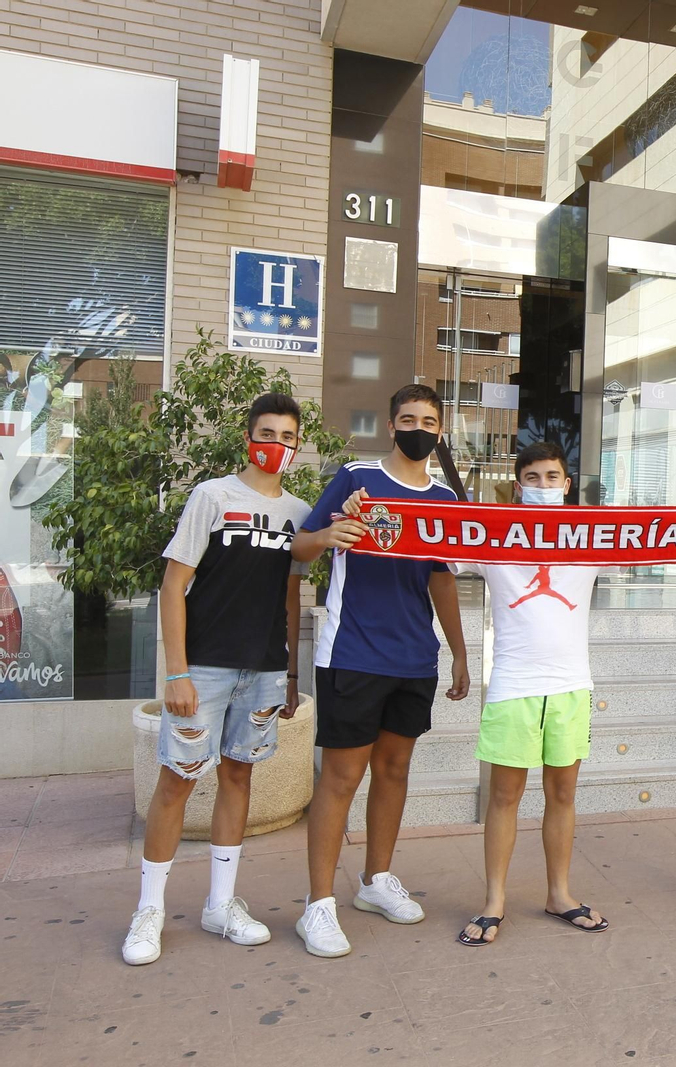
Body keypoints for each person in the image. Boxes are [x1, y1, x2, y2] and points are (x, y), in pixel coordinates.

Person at [122, 393, 310, 966]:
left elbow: (290, 591)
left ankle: (221, 904)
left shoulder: (300, 513)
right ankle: (149, 910)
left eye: (286, 436)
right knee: (177, 782)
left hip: (264, 669)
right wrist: (175, 672)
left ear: (298, 445)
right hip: (202, 668)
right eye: (266, 432)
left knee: (238, 780)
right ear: (247, 437)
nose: (276, 444)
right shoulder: (213, 495)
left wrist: (291, 672)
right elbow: (173, 585)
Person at [290, 384, 470, 957]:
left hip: (414, 658)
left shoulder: (444, 501)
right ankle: (318, 905)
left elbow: (442, 577)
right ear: (392, 426)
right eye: (408, 418)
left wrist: (459, 649)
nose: (418, 427)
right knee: (341, 778)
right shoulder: (354, 479)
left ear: (439, 432)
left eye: (429, 420)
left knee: (394, 770)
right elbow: (299, 547)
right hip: (353, 653)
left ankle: (375, 881)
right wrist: (325, 535)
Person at [456, 442, 608, 946]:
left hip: (570, 687)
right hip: (514, 686)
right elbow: (427, 539)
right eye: (533, 478)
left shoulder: (592, 540)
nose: (543, 486)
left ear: (567, 485)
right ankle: (494, 900)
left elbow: (666, 538)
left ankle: (559, 893)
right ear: (518, 486)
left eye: (552, 477)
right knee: (504, 797)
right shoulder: (491, 538)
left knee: (562, 795)